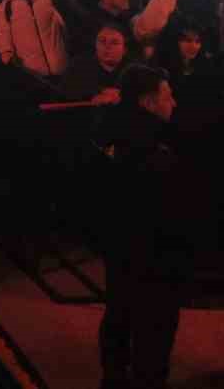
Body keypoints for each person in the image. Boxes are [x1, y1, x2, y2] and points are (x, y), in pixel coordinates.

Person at [95, 64, 192, 389]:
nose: (174, 103)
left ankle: (113, 376)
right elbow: (176, 212)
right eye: (168, 96)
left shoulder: (106, 131)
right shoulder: (157, 150)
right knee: (155, 324)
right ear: (149, 103)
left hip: (116, 245)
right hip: (155, 253)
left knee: (118, 312)